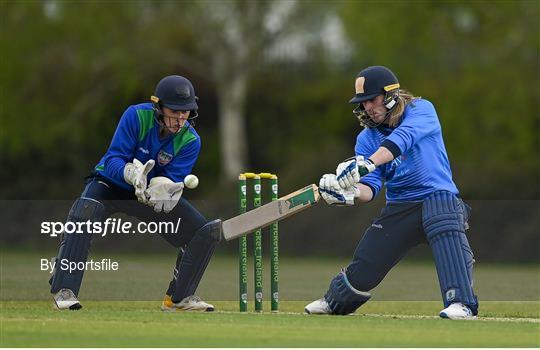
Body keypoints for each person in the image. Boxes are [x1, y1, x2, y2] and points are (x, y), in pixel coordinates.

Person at [305, 66, 478, 319]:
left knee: (441, 217)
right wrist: (348, 193)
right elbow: (371, 188)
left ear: (389, 95)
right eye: (362, 104)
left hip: (437, 196)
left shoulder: (421, 109)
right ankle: (335, 301)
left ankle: (462, 304)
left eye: (371, 100)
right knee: (368, 260)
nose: (367, 109)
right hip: (400, 206)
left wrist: (368, 163)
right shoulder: (366, 138)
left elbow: (403, 139)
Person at [49, 75, 221, 312]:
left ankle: (178, 298)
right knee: (85, 211)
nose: (180, 119)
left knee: (203, 232)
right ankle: (64, 290)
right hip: (111, 184)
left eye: (186, 112)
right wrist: (131, 174)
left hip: (147, 195)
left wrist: (165, 188)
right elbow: (112, 160)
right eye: (175, 111)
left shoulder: (191, 140)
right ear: (158, 106)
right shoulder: (136, 116)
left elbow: (173, 178)